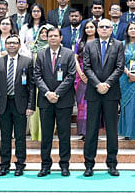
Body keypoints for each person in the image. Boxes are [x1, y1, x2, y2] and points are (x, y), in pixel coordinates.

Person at [82, 19, 125, 177]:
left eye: (107, 27)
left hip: (111, 93)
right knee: (91, 129)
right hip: (93, 93)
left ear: (112, 28)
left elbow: (120, 67)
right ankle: (89, 164)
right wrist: (97, 84)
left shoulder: (119, 44)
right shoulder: (89, 45)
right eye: (101, 27)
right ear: (97, 29)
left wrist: (106, 84)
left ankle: (112, 164)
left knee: (112, 131)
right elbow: (86, 67)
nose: (104, 29)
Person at [0, 34, 35, 177]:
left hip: (20, 104)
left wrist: (31, 106)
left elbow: (31, 87)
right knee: (5, 136)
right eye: (9, 43)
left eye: (15, 43)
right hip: (3, 104)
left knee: (20, 137)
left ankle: (20, 164)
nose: (12, 45)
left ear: (20, 45)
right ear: (6, 45)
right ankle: (4, 165)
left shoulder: (27, 62)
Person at [34, 27, 76, 177]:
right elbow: (37, 76)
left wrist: (57, 93)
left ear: (60, 38)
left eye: (55, 36)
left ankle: (64, 164)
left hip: (63, 100)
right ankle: (45, 165)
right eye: (50, 36)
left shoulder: (69, 54)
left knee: (64, 135)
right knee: (46, 135)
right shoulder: (40, 54)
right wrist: (47, 93)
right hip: (45, 101)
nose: (52, 38)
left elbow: (71, 76)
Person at [26, 24, 53, 141]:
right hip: (35, 81)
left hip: (50, 83)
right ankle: (35, 134)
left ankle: (45, 134)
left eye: (46, 33)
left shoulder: (55, 48)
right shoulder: (32, 47)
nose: (43, 35)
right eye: (41, 32)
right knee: (35, 108)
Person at [74, 20, 98, 139]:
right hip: (81, 76)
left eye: (91, 27)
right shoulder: (80, 42)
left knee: (94, 105)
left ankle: (94, 132)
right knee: (82, 105)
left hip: (96, 75)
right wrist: (81, 74)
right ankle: (83, 132)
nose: (89, 29)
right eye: (87, 27)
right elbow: (75, 59)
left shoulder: (99, 42)